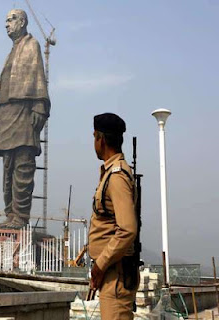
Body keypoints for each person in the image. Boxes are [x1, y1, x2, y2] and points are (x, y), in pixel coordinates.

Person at [0, 9, 50, 229]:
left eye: (11, 19)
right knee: (7, 167)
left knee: (23, 166)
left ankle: (21, 217)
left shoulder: (32, 45)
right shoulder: (12, 51)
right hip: (7, 114)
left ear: (23, 22)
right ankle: (10, 214)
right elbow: (3, 87)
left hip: (25, 112)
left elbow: (38, 78)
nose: (7, 24)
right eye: (6, 20)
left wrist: (38, 105)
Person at [88, 113, 139, 319]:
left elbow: (127, 229)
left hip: (115, 275)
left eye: (94, 137)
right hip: (111, 274)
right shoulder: (110, 173)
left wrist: (100, 264)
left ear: (100, 139)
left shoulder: (117, 176)